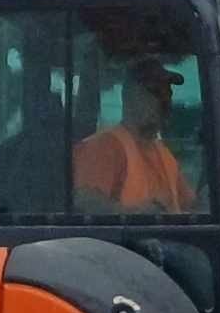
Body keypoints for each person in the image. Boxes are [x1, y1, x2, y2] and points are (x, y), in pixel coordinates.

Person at [72, 57, 198, 214]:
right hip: (122, 239)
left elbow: (190, 207)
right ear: (129, 96)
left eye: (168, 93)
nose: (165, 101)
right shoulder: (104, 148)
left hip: (169, 239)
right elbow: (85, 203)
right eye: (155, 92)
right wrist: (135, 217)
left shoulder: (165, 156)